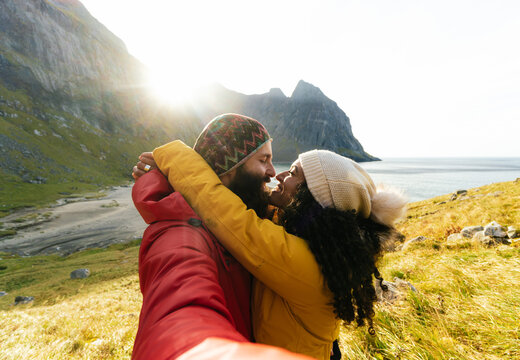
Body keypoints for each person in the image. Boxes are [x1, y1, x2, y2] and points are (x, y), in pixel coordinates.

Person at [142, 140, 407, 359]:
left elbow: (225, 212)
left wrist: (172, 155)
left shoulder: (303, 263)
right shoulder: (314, 238)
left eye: (293, 173)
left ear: (312, 198)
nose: (278, 175)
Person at [131, 114, 309, 359]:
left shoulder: (259, 215)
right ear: (227, 170)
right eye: (263, 159)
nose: (271, 172)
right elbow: (180, 309)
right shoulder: (178, 234)